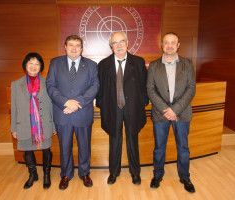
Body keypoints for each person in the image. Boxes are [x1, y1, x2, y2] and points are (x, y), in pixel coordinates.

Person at [46, 34, 99, 190]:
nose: (74, 48)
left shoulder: (91, 65)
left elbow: (94, 86)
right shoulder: (55, 63)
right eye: (71, 45)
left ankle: (84, 173)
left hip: (82, 112)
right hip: (63, 112)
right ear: (65, 47)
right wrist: (65, 102)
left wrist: (78, 103)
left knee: (84, 146)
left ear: (82, 49)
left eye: (77, 45)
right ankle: (66, 174)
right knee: (64, 146)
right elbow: (50, 86)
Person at [96, 31, 148, 185]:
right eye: (115, 43)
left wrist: (142, 103)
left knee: (133, 140)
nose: (119, 45)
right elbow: (100, 89)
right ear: (111, 46)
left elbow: (144, 85)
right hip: (113, 108)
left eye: (121, 42)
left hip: (133, 108)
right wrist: (102, 106)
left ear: (127, 43)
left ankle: (135, 172)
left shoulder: (138, 62)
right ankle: (114, 172)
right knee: (114, 140)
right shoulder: (103, 65)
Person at [147, 32, 196, 193]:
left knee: (183, 147)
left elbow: (191, 89)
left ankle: (185, 177)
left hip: (182, 114)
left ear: (178, 45)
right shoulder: (154, 65)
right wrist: (165, 110)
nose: (169, 45)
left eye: (173, 42)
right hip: (160, 114)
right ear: (162, 44)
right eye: (166, 42)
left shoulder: (187, 64)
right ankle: (157, 175)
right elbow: (150, 90)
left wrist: (175, 109)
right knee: (159, 147)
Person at [11, 52, 56, 190]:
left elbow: (53, 106)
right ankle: (33, 175)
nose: (34, 66)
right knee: (27, 152)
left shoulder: (47, 82)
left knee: (46, 150)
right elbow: (14, 108)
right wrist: (14, 128)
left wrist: (53, 125)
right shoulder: (16, 84)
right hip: (24, 124)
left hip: (44, 124)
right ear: (25, 65)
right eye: (31, 63)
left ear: (41, 67)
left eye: (37, 64)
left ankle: (46, 175)